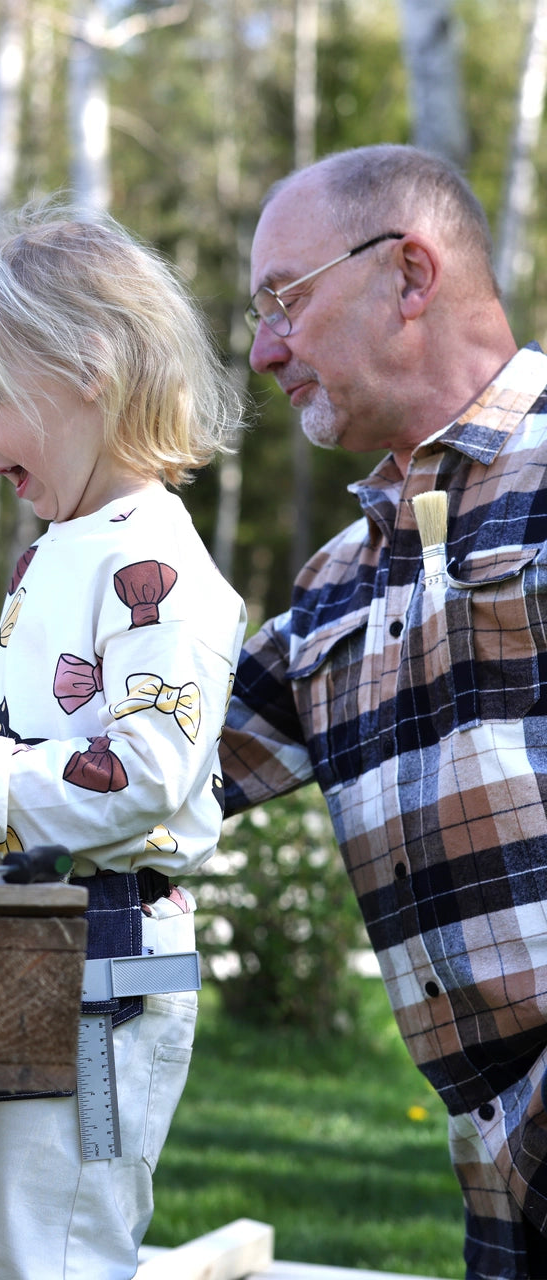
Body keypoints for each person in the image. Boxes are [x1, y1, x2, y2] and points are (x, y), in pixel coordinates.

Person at [0, 208, 248, 1279]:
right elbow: (21, 755)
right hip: (26, 962)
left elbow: (143, 775)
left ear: (88, 372)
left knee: (47, 1256)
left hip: (98, 980)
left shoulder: (154, 569)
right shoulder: (66, 550)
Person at [220, 142, 547, 1280]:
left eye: (282, 300)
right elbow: (155, 767)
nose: (264, 350)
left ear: (408, 276)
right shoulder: (331, 587)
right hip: (500, 1174)